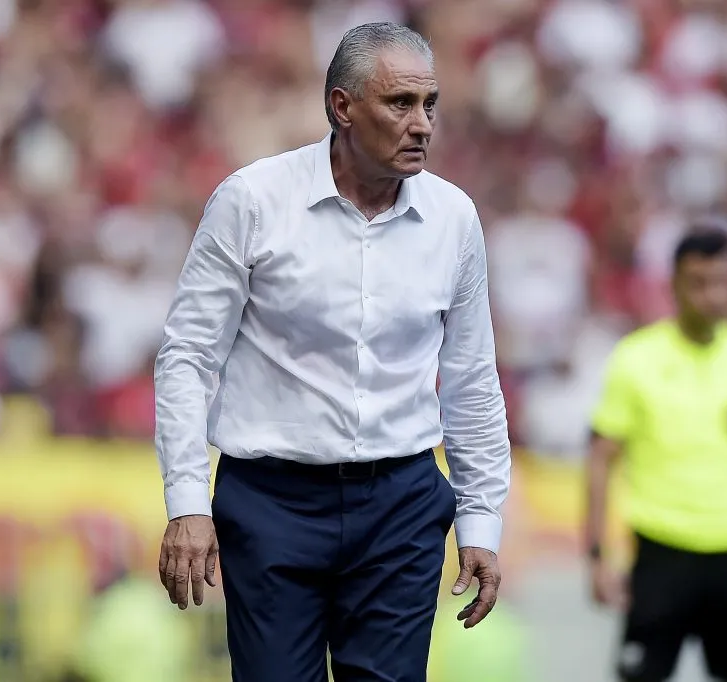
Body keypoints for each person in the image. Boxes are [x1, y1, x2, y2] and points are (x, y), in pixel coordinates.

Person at [153, 22, 511, 682]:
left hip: (401, 503)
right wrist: (187, 504)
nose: (423, 124)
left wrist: (483, 521)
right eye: (400, 104)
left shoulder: (454, 219)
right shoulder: (253, 201)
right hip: (271, 501)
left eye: (430, 104)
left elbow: (470, 377)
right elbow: (188, 356)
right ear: (342, 107)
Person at [585, 228, 727, 682]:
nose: (711, 295)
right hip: (662, 553)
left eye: (721, 282)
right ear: (675, 285)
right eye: (698, 283)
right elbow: (601, 459)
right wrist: (598, 555)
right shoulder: (636, 358)